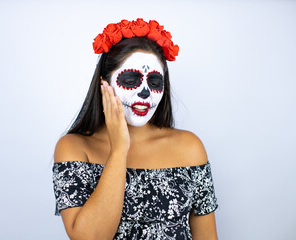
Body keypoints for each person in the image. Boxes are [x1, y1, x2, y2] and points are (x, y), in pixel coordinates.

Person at [52, 18, 219, 240]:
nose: (144, 93)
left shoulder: (190, 148)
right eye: (131, 79)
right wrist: (119, 149)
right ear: (104, 83)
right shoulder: (74, 148)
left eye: (155, 82)